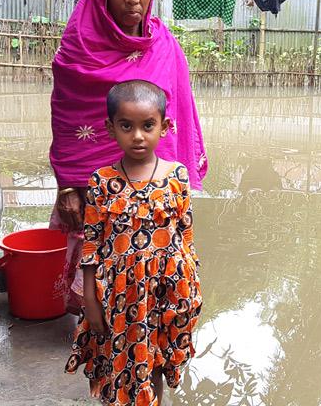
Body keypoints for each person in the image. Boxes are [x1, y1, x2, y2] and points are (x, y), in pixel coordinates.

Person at [50, 0, 208, 313]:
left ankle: (144, 336)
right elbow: (65, 120)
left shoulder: (164, 45)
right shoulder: (79, 48)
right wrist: (67, 186)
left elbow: (178, 115)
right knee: (96, 281)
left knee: (150, 281)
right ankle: (103, 336)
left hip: (153, 188)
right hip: (94, 188)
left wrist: (174, 190)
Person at [66, 80, 202, 405]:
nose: (138, 136)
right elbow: (91, 245)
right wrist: (89, 299)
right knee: (117, 360)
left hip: (166, 290)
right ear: (110, 128)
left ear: (165, 127)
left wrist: (192, 287)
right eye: (127, 126)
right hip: (119, 293)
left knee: (155, 359)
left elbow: (186, 236)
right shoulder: (102, 181)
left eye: (147, 126)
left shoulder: (177, 176)